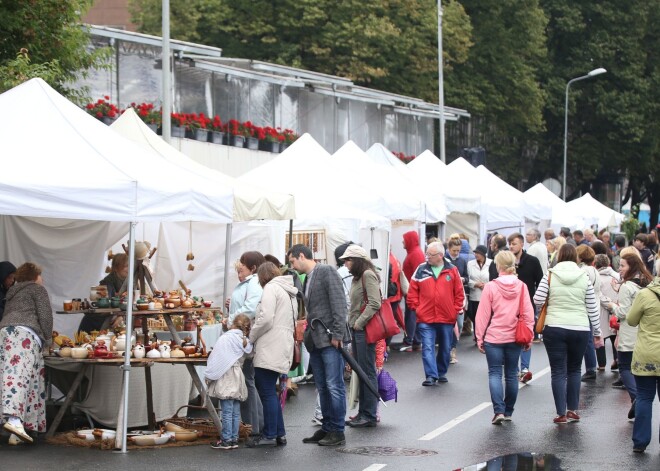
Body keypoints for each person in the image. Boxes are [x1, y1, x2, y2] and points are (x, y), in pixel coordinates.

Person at [533, 244, 602, 424]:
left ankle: (561, 413)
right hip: (580, 327)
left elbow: (537, 298)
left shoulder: (550, 274)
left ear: (559, 256)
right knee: (574, 369)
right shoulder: (584, 276)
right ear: (576, 258)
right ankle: (573, 409)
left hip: (554, 327)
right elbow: (592, 306)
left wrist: (549, 303)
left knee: (558, 371)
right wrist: (597, 331)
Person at [289, 244, 350, 447]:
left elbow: (339, 304)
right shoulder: (307, 278)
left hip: (330, 338)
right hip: (315, 340)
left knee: (334, 386)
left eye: (292, 261)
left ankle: (338, 431)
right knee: (323, 387)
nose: (292, 265)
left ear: (301, 256)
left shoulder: (326, 271)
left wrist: (339, 333)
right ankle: (327, 427)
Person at [475, 251, 534, 424]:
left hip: (494, 337)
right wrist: (528, 336)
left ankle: (498, 410)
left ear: (498, 266)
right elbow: (528, 314)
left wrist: (480, 337)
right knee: (511, 374)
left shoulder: (491, 287)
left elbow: (483, 315)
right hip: (514, 337)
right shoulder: (521, 286)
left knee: (494, 373)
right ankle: (508, 411)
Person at [0, 262, 53, 443]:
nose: (43, 279)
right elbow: (45, 317)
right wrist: (49, 340)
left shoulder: (12, 293)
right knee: (18, 379)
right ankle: (14, 420)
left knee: (23, 379)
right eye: (40, 275)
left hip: (5, 333)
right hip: (24, 335)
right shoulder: (37, 290)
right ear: (33, 277)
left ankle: (19, 431)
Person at [247, 262, 297, 447]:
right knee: (271, 392)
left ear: (262, 276)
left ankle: (269, 434)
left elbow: (266, 318)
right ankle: (279, 433)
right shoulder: (287, 290)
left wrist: (251, 337)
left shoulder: (270, 288)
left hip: (270, 344)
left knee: (267, 391)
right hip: (283, 344)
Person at [407, 241, 464, 386]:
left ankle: (441, 371)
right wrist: (416, 307)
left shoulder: (452, 270)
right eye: (427, 254)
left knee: (445, 347)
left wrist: (455, 309)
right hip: (425, 317)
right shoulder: (421, 269)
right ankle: (431, 375)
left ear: (440, 255)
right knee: (427, 346)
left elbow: (459, 292)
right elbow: (412, 290)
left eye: (430, 255)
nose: (427, 257)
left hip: (446, 317)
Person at [340, 245, 381, 428]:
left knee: (366, 371)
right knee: (361, 371)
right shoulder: (359, 277)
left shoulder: (367, 275)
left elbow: (375, 303)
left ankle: (369, 414)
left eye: (348, 260)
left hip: (363, 330)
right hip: (357, 329)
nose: (346, 263)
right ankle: (364, 412)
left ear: (357, 260)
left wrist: (359, 323)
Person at [608, 253, 652, 420]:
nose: (619, 269)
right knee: (638, 371)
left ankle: (636, 398)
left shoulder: (627, 287)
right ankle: (637, 398)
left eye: (623, 266)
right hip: (644, 333)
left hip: (628, 333)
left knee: (625, 367)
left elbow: (624, 312)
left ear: (631, 267)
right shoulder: (647, 283)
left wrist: (611, 305)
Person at [226, 251, 265, 439]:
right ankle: (254, 423)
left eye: (241, 269)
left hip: (244, 336)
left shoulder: (255, 283)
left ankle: (253, 425)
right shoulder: (249, 283)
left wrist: (230, 319)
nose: (238, 273)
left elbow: (250, 309)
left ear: (253, 267)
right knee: (247, 380)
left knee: (246, 380)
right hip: (240, 334)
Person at [207, 314, 253, 450]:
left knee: (226, 410)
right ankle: (234, 438)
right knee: (235, 410)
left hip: (226, 374)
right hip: (238, 374)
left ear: (233, 324)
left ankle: (226, 440)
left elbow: (217, 357)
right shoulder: (244, 340)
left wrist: (209, 374)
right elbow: (249, 354)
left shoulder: (225, 338)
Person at [626, 273, 660, 453]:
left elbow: (631, 320)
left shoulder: (645, 294)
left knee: (645, 398)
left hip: (646, 353)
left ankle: (640, 442)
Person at [506, 233, 543, 383]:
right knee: (511, 336)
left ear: (522, 244)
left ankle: (525, 368)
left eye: (514, 243)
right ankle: (514, 369)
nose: (511, 246)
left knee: (525, 335)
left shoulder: (532, 261)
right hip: (508, 306)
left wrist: (537, 301)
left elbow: (540, 281)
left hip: (527, 304)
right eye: (510, 244)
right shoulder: (506, 262)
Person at [79, 253, 129, 333]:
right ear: (116, 267)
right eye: (126, 266)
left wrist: (122, 316)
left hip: (109, 325)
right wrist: (120, 315)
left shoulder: (128, 282)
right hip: (94, 327)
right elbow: (94, 307)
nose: (129, 269)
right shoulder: (105, 282)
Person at [576, 245, 601, 382]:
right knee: (589, 340)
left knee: (587, 341)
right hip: (594, 305)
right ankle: (591, 367)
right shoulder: (594, 270)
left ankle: (591, 369)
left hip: (586, 308)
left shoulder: (583, 271)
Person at [595, 254, 620, 372]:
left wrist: (607, 303)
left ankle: (601, 364)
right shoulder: (617, 275)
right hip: (615, 309)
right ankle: (617, 359)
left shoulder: (596, 277)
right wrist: (614, 305)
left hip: (601, 310)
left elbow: (597, 294)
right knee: (615, 336)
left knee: (601, 338)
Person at [401, 230, 425, 351]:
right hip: (412, 291)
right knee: (412, 315)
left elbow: (418, 274)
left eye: (404, 239)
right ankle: (414, 340)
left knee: (412, 316)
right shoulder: (414, 252)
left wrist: (414, 292)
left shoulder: (415, 254)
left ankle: (411, 340)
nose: (402, 242)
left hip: (413, 291)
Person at [446, 237, 468, 364]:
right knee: (449, 326)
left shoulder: (462, 261)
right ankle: (450, 350)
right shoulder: (444, 261)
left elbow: (467, 277)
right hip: (448, 298)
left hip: (460, 296)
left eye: (458, 250)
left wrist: (463, 279)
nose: (456, 253)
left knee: (459, 324)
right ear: (448, 249)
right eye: (454, 250)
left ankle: (452, 347)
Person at [467, 245, 491, 343]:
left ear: (483, 254)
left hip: (487, 295)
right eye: (475, 253)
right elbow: (468, 278)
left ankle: (485, 336)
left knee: (486, 317)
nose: (476, 255)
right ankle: (478, 336)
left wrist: (487, 285)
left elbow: (493, 277)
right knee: (475, 317)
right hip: (474, 295)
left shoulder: (491, 263)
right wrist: (475, 284)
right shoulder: (470, 264)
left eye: (478, 253)